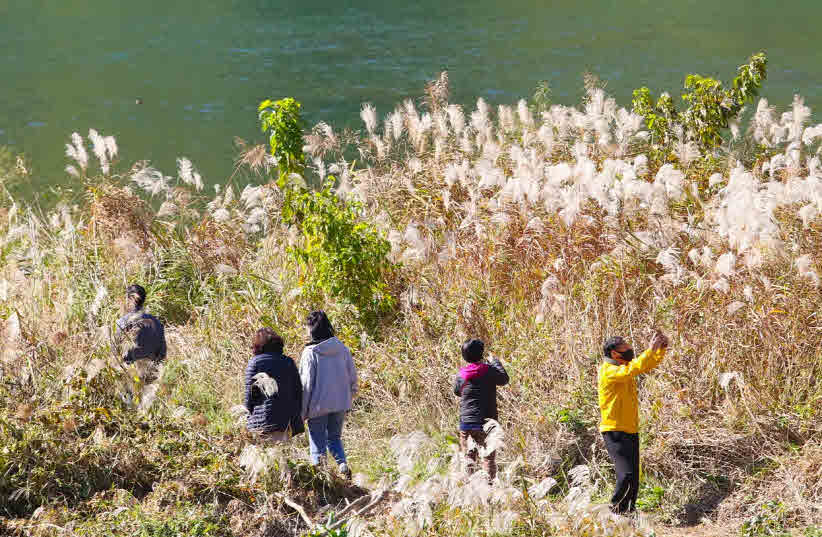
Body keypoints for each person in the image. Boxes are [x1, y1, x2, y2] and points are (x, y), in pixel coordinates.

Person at [599, 331, 669, 515]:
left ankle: (629, 513)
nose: (629, 348)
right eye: (625, 346)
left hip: (630, 429)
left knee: (634, 478)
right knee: (626, 475)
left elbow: (645, 365)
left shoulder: (624, 366)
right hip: (614, 430)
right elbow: (634, 368)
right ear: (615, 353)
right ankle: (615, 511)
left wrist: (660, 349)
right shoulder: (608, 370)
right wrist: (649, 350)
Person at [299, 311, 357, 478]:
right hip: (340, 403)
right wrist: (351, 395)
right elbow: (352, 376)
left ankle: (322, 477)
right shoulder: (342, 348)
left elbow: (306, 384)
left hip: (318, 406)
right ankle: (342, 464)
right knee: (334, 437)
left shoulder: (310, 352)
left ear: (311, 329)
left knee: (317, 442)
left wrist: (302, 411)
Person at [452, 338, 509, 481]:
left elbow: (457, 391)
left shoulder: (462, 374)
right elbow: (504, 379)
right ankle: (488, 487)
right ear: (481, 354)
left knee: (468, 459)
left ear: (464, 356)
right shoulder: (488, 371)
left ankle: (467, 488)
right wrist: (495, 362)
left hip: (467, 423)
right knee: (488, 458)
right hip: (487, 423)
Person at [244, 327, 303, 444]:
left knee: (264, 453)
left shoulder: (255, 363)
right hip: (285, 420)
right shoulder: (288, 362)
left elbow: (249, 395)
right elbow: (298, 391)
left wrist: (248, 415)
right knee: (282, 452)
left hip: (261, 421)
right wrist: (296, 415)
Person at [115, 284, 167, 380]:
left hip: (129, 374)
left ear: (130, 299)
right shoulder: (157, 323)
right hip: (151, 374)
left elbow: (116, 351)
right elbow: (162, 352)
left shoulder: (122, 322)